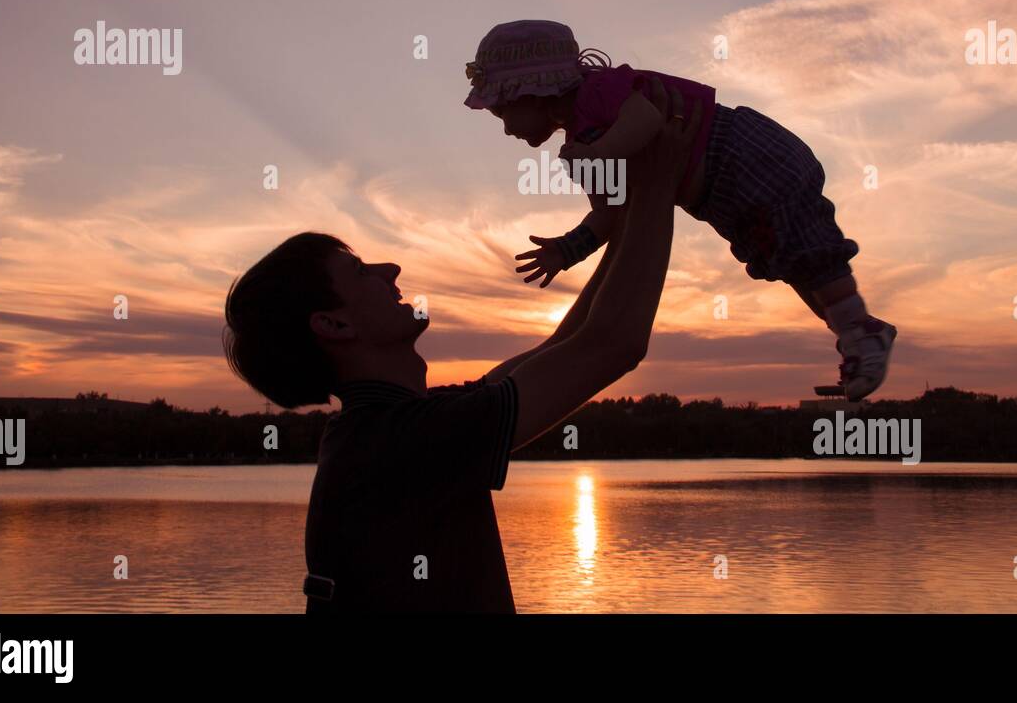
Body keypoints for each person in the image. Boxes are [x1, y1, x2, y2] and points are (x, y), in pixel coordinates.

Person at [221, 80, 700, 612]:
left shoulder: (390, 427)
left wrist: (629, 212)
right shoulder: (405, 439)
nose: (391, 269)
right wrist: (657, 187)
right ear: (333, 325)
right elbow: (614, 344)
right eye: (360, 272)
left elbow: (568, 344)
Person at [464, 19, 896, 401]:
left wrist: (600, 153)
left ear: (535, 91)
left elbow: (646, 120)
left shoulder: (600, 92)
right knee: (793, 266)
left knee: (809, 255)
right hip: (720, 198)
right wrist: (566, 249)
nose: (505, 128)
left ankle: (860, 331)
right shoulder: (581, 144)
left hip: (742, 156)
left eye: (504, 111)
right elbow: (611, 214)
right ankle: (858, 333)